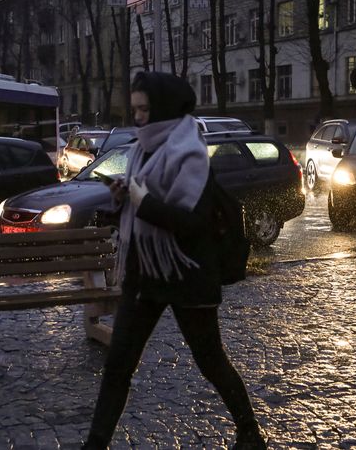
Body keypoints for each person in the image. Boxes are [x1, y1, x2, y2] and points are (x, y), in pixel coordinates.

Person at [82, 72, 266, 449]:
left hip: (187, 272)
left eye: (144, 109)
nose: (137, 118)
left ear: (164, 108)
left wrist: (141, 201)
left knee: (210, 360)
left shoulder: (191, 154)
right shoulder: (139, 148)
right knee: (118, 363)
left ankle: (249, 431)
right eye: (133, 110)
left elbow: (190, 222)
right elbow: (140, 209)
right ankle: (95, 444)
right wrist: (122, 198)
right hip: (144, 271)